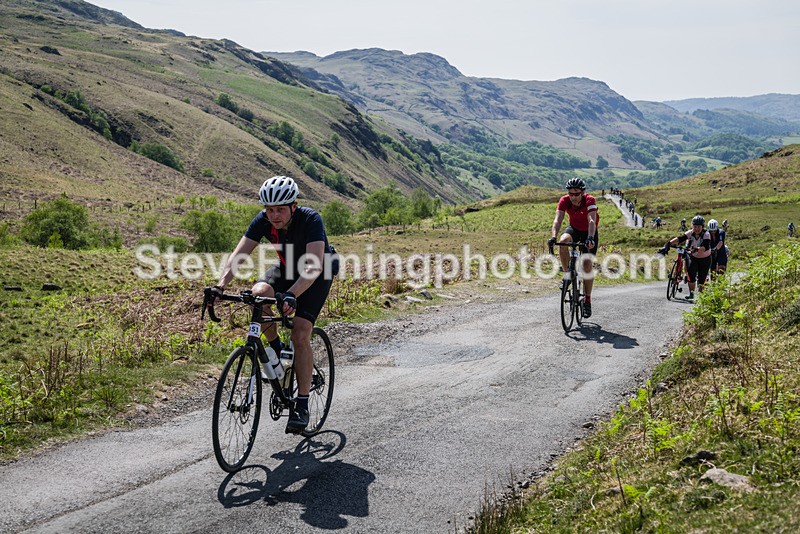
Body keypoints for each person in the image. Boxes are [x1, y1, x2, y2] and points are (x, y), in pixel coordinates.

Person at [209, 175, 339, 434]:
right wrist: (220, 285)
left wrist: (291, 294)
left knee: (300, 332)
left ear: (294, 206)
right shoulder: (263, 221)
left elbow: (313, 266)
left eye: (280, 209)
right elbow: (240, 253)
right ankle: (278, 349)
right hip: (288, 267)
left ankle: (301, 404)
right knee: (259, 294)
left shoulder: (311, 219)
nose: (275, 215)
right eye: (270, 209)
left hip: (318, 271)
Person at [548, 177, 599, 318]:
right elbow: (557, 220)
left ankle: (587, 300)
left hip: (589, 232)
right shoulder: (564, 200)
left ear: (582, 192)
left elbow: (591, 220)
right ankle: (567, 275)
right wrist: (553, 237)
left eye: (576, 193)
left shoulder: (589, 200)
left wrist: (590, 237)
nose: (573, 196)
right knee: (563, 241)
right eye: (571, 193)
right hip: (574, 229)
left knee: (587, 265)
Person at [658, 215, 711, 301]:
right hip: (694, 257)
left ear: (702, 226)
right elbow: (680, 239)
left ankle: (702, 297)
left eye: (699, 226)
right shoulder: (690, 232)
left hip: (705, 258)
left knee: (702, 278)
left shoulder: (706, 234)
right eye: (695, 226)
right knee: (691, 274)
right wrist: (668, 244)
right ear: (692, 226)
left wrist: (696, 249)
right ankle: (692, 294)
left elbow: (706, 247)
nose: (696, 228)